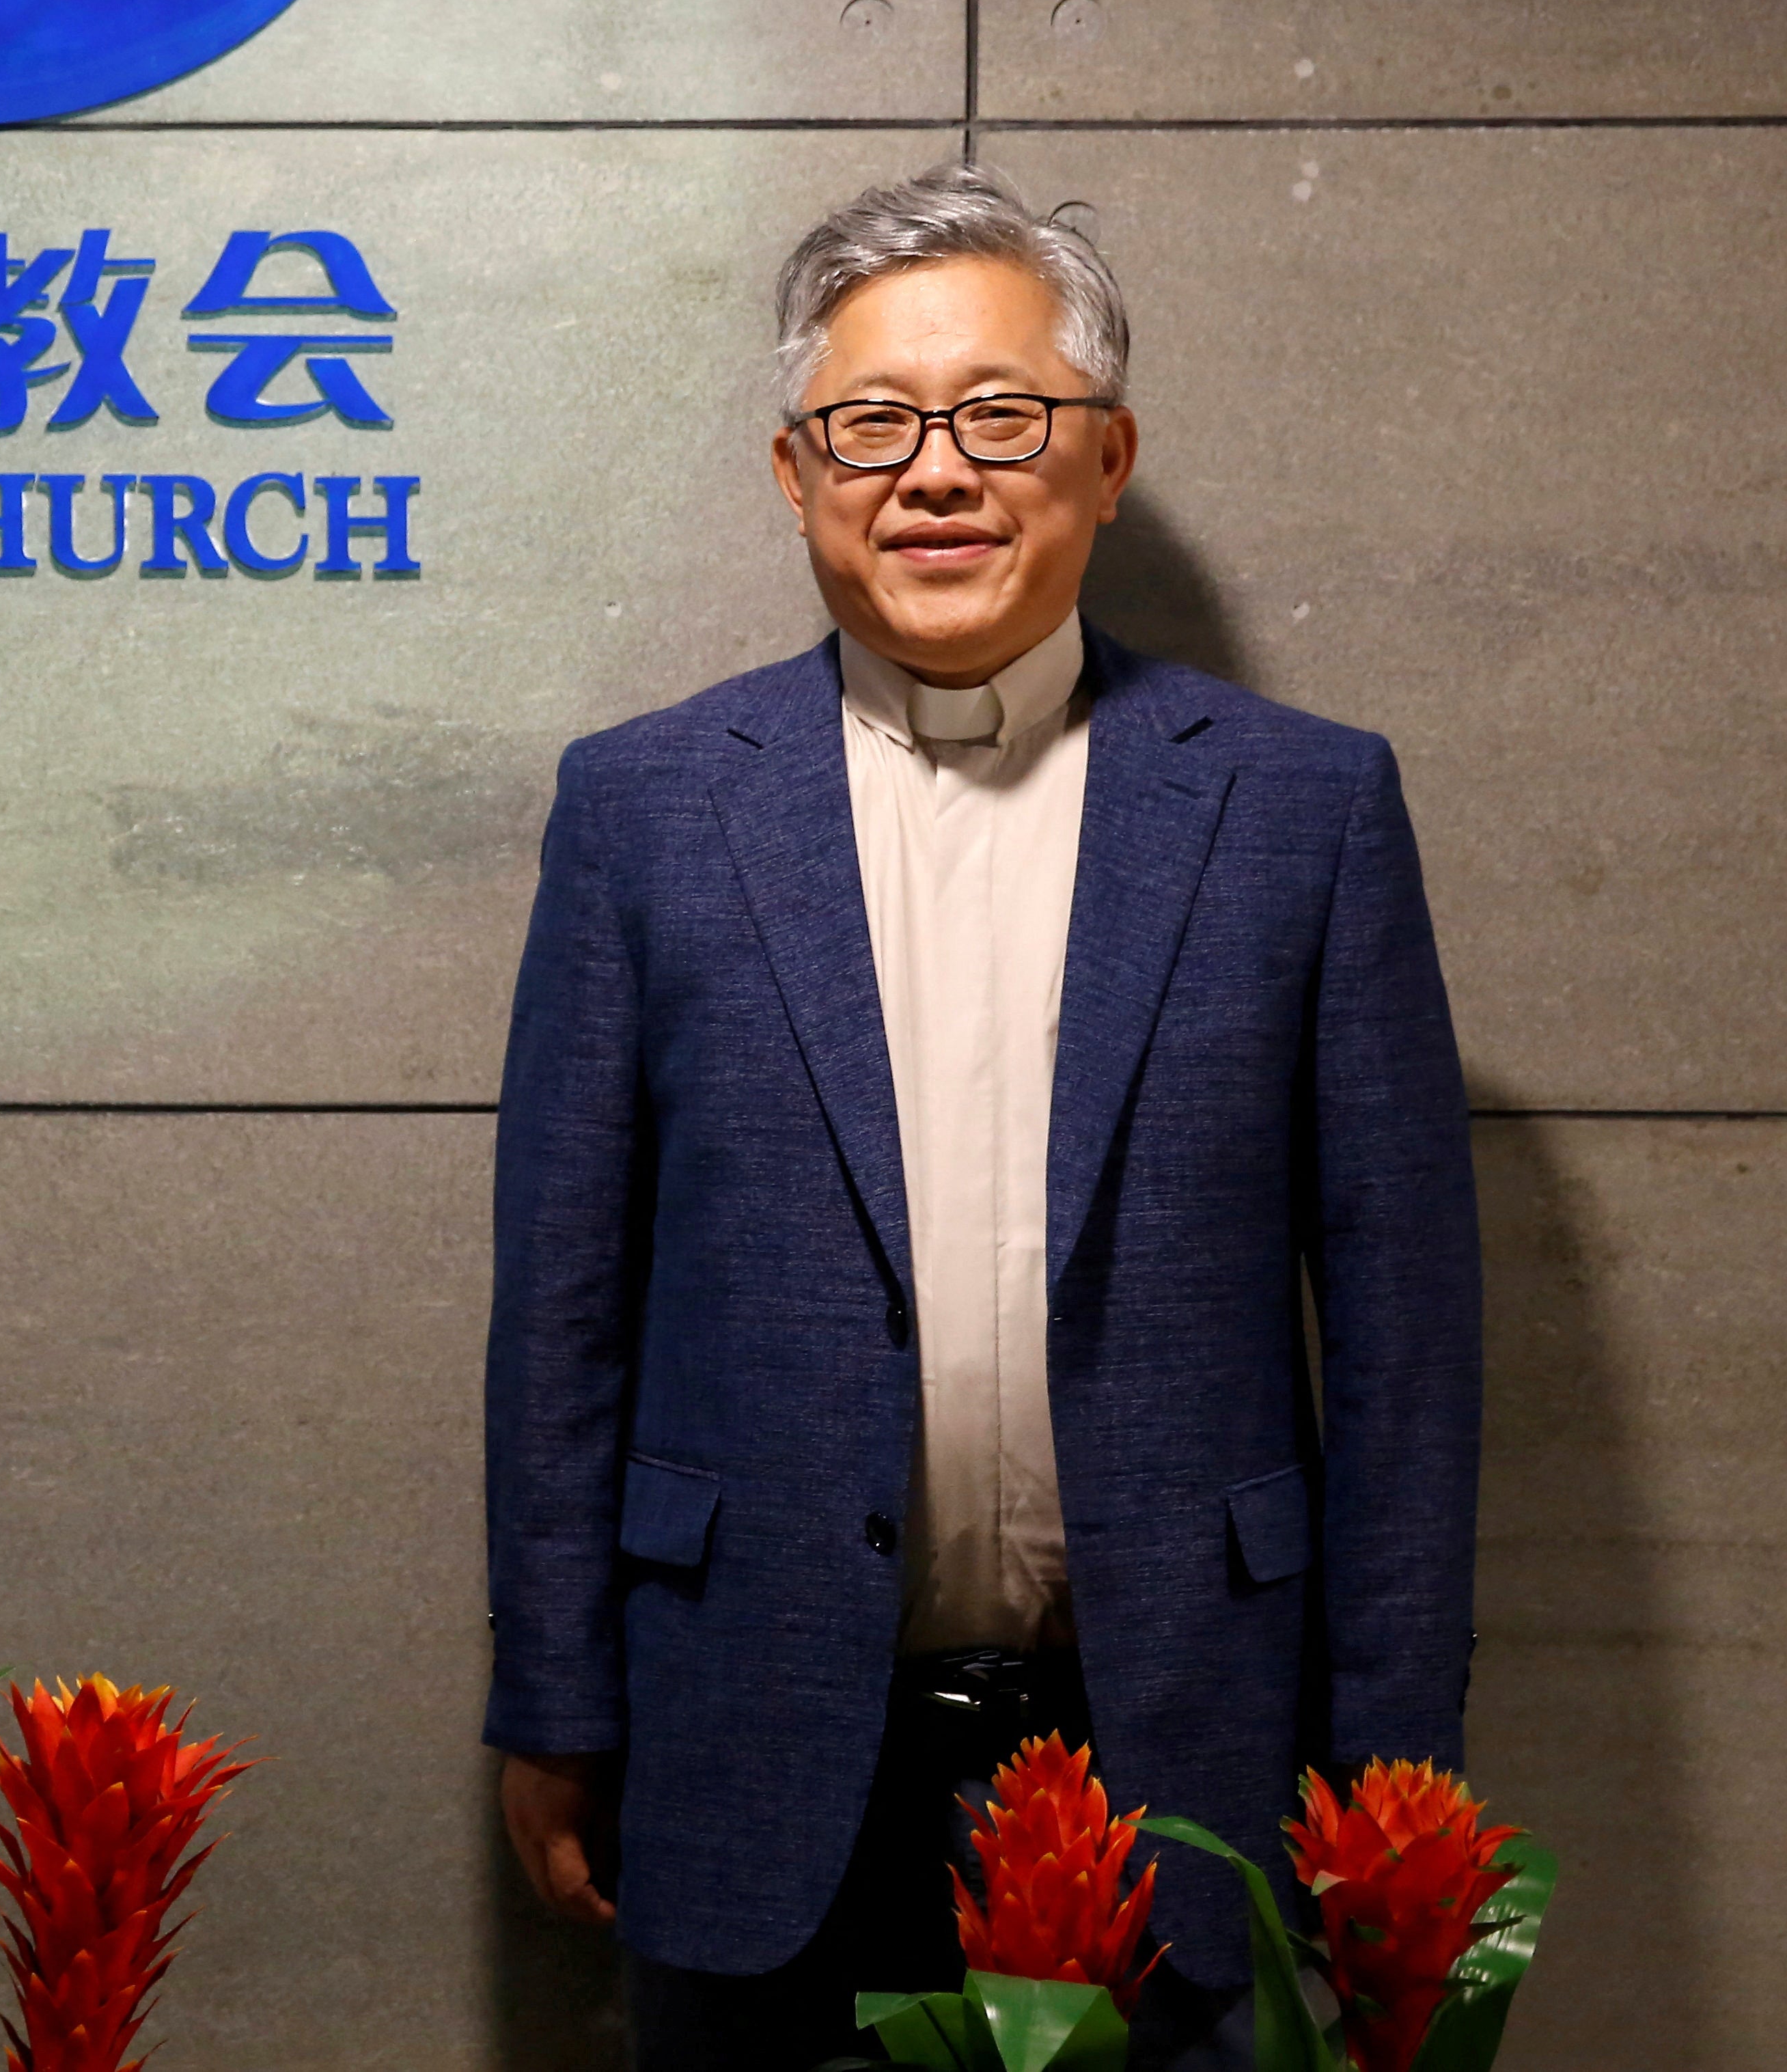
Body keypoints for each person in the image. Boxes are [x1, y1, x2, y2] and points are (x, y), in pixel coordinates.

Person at [483, 165, 1481, 2072]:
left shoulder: (1303, 810)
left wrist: (1397, 1754)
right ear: (796, 475)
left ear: (1108, 459)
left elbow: (1406, 1338)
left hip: (1189, 1752)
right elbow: (563, 1313)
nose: (934, 474)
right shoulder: (645, 808)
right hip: (750, 1732)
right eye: (872, 424)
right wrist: (554, 1697)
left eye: (1002, 417)